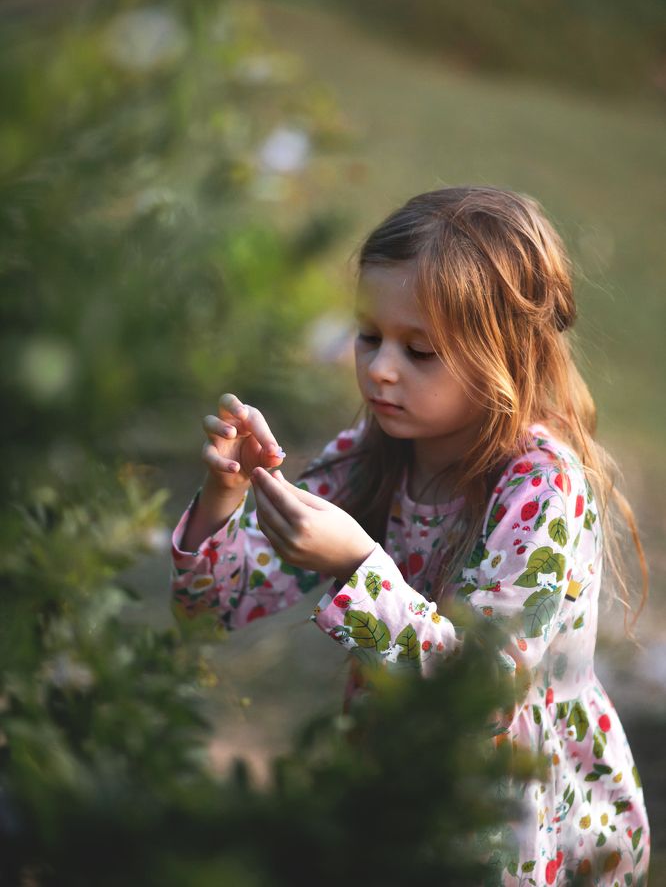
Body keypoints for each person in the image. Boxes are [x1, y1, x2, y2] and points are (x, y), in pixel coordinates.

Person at [170, 185, 650, 883]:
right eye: (370, 337)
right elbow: (208, 610)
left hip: (512, 819)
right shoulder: (374, 454)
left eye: (419, 350)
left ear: (504, 355)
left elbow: (481, 692)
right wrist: (228, 492)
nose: (380, 368)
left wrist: (359, 566)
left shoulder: (543, 489)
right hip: (391, 792)